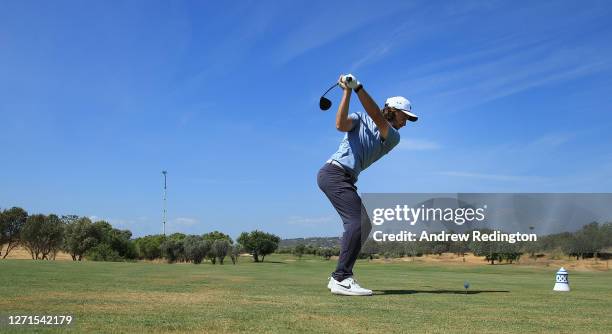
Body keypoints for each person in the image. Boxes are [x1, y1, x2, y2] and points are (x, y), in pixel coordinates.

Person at [317, 74, 418, 296]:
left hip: (343, 178)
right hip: (334, 173)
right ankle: (341, 278)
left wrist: (357, 88)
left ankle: (341, 275)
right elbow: (340, 124)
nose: (405, 122)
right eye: (404, 116)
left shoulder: (392, 136)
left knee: (363, 223)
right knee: (357, 223)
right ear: (392, 110)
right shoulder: (361, 118)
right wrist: (347, 91)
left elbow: (376, 116)